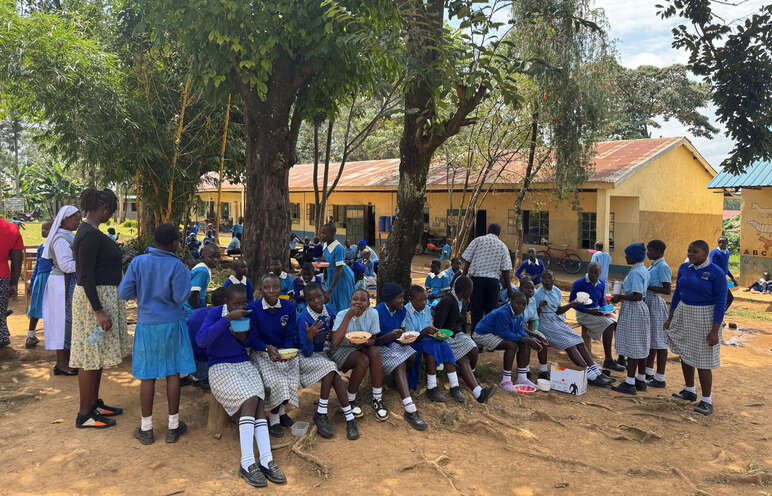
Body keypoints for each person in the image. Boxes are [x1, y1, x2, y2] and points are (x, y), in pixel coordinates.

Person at [196, 283, 287, 486]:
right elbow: (202, 340)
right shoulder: (215, 314)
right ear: (226, 302)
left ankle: (266, 459)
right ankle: (247, 462)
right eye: (236, 304)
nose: (241, 307)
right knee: (250, 398)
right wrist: (227, 320)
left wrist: (244, 339)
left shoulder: (246, 315)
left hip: (243, 364)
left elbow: (249, 341)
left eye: (244, 303)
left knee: (259, 400)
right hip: (220, 367)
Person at [118, 224, 194, 443]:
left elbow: (124, 292)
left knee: (147, 376)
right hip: (172, 323)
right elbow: (180, 297)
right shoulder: (177, 265)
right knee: (172, 373)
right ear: (173, 243)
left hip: (147, 325)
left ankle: (146, 428)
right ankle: (173, 426)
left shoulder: (138, 262)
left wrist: (144, 293)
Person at [70, 189, 130, 428]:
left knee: (97, 354)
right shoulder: (89, 235)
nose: (110, 215)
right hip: (93, 304)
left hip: (101, 299)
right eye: (110, 211)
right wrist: (98, 310)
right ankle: (85, 413)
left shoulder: (93, 233)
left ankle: (94, 403)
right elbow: (86, 275)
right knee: (90, 354)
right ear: (103, 209)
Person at [665, 240, 727, 416]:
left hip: (705, 317)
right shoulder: (684, 268)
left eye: (695, 252)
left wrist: (714, 330)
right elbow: (677, 294)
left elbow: (721, 302)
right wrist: (670, 317)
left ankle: (707, 400)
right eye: (689, 251)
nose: (691, 254)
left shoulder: (716, 273)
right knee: (685, 353)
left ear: (705, 254)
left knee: (703, 359)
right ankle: (689, 390)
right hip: (684, 313)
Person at [297, 282, 359, 440]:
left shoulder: (328, 311)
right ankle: (323, 413)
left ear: (324, 296)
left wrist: (331, 335)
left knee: (334, 375)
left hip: (324, 354)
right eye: (311, 299)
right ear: (306, 301)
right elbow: (306, 351)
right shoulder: (304, 318)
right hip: (307, 356)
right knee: (331, 368)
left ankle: (347, 418)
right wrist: (309, 338)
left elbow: (331, 333)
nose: (316, 301)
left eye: (319, 297)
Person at [534, 271, 615, 387]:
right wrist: (540, 308)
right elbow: (534, 315)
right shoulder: (538, 294)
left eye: (549, 278)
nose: (547, 281)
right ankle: (589, 374)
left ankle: (595, 371)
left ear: (553, 279)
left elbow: (558, 311)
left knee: (578, 340)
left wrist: (572, 304)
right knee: (569, 344)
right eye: (544, 279)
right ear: (541, 280)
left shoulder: (557, 291)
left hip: (556, 320)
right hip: (544, 322)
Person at [248, 274, 299, 437]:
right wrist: (266, 348)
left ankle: (282, 410)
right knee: (277, 381)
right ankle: (274, 418)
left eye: (275, 287)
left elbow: (290, 334)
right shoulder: (253, 308)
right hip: (262, 352)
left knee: (292, 378)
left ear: (280, 288)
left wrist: (286, 352)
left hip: (283, 351)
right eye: (267, 287)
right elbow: (252, 337)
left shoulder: (288, 306)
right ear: (261, 290)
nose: (271, 291)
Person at [374, 283, 427, 431]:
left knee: (412, 354)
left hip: (394, 344)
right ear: (389, 300)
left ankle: (398, 381)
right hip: (380, 347)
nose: (403, 301)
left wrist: (403, 338)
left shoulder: (401, 311)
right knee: (400, 362)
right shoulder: (376, 312)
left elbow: (401, 332)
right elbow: (374, 341)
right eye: (400, 298)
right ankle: (409, 407)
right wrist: (389, 336)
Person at [433, 276, 495, 403]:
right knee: (463, 359)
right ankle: (478, 392)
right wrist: (444, 338)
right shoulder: (447, 301)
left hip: (457, 335)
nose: (471, 293)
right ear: (465, 290)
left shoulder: (464, 301)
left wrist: (461, 334)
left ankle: (470, 373)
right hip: (445, 337)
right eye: (471, 291)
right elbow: (438, 326)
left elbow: (461, 323)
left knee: (473, 348)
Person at [328, 289, 385, 420]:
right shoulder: (342, 314)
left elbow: (373, 339)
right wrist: (348, 316)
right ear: (350, 302)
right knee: (363, 360)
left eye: (363, 300)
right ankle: (350, 399)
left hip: (361, 346)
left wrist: (365, 341)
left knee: (374, 352)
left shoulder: (373, 313)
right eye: (355, 299)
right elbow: (335, 342)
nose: (358, 302)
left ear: (368, 304)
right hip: (341, 349)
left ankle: (377, 398)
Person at [473, 292, 544, 391]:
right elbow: (504, 333)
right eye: (518, 303)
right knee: (511, 346)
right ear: (511, 301)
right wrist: (526, 339)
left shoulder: (519, 313)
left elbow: (519, 330)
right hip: (482, 334)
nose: (521, 306)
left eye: (524, 305)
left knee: (524, 343)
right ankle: (505, 381)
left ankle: (522, 378)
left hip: (495, 332)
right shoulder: (502, 313)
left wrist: (530, 338)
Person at [404, 285, 462, 402]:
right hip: (414, 341)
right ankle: (432, 388)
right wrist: (424, 332)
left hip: (427, 339)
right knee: (431, 349)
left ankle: (455, 385)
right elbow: (410, 336)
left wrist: (436, 333)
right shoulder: (406, 311)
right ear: (411, 299)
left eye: (425, 299)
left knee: (445, 345)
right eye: (420, 300)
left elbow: (429, 327)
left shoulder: (426, 309)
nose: (423, 303)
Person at [42, 205, 81, 375]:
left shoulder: (67, 235)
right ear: (65, 219)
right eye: (76, 219)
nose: (79, 221)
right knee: (62, 322)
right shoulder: (60, 239)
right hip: (61, 283)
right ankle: (62, 363)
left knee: (66, 322)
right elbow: (65, 265)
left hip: (65, 281)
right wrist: (87, 264)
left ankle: (66, 361)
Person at [610, 243, 652, 395]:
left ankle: (629, 383)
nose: (626, 257)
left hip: (634, 310)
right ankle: (641, 379)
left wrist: (619, 297)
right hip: (640, 309)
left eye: (627, 255)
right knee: (640, 345)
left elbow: (637, 295)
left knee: (633, 347)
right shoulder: (643, 269)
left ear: (633, 256)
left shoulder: (636, 273)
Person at [570, 262, 624, 372]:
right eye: (592, 272)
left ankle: (621, 357)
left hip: (597, 311)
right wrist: (588, 310)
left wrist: (606, 309)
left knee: (618, 322)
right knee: (608, 324)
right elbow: (572, 302)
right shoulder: (579, 283)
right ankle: (608, 359)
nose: (594, 275)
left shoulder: (601, 283)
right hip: (583, 313)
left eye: (596, 273)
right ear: (588, 271)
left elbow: (601, 300)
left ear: (600, 273)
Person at [461, 223, 514, 332]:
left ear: (488, 230)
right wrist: (509, 289)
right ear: (499, 233)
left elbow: (467, 261)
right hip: (493, 283)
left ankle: (475, 336)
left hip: (476, 281)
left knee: (476, 310)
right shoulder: (502, 246)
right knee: (491, 311)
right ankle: (488, 337)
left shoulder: (477, 240)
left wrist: (463, 276)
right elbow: (506, 270)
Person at [186, 288, 226, 390]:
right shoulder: (222, 318)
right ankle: (204, 379)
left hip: (189, 359)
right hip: (206, 361)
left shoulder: (195, 312)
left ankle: (196, 377)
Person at [645, 240, 672, 387]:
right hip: (649, 303)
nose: (647, 253)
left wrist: (647, 287)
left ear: (658, 251)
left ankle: (660, 377)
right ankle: (649, 372)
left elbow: (667, 289)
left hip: (655, 304)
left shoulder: (663, 267)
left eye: (650, 250)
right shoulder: (654, 265)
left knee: (660, 342)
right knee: (652, 340)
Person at [25, 220, 53, 348]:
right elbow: (37, 265)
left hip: (51, 279)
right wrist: (31, 281)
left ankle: (52, 337)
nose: (43, 231)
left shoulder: (54, 246)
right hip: (40, 279)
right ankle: (30, 336)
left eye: (46, 229)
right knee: (35, 307)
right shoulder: (41, 247)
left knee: (51, 308)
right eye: (42, 229)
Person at [517, 277, 551, 379]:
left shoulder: (532, 300)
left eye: (532, 288)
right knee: (527, 342)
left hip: (528, 329)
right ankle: (525, 370)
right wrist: (531, 336)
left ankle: (543, 371)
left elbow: (532, 319)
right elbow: (517, 324)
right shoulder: (516, 301)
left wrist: (532, 333)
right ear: (520, 289)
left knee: (543, 340)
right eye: (527, 288)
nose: (530, 290)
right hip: (515, 329)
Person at [320, 223, 355, 314]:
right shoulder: (325, 245)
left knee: (342, 300)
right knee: (332, 301)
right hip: (331, 275)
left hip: (341, 277)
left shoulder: (339, 248)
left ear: (332, 234)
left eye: (325, 233)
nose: (322, 235)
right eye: (321, 233)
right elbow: (326, 261)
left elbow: (339, 270)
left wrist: (331, 289)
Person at [0, 217, 24, 350]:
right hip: (2, 276)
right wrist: (14, 283)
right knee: (1, 311)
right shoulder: (11, 229)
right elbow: (17, 259)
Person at [184, 244, 220, 317]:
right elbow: (192, 295)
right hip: (190, 310)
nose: (216, 260)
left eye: (218, 257)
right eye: (211, 257)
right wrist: (200, 311)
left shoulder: (203, 268)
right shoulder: (203, 271)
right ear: (202, 257)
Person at [709, 236, 737, 312]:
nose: (721, 244)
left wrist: (732, 278)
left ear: (727, 243)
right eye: (719, 242)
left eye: (723, 242)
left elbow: (725, 268)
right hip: (716, 279)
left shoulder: (727, 252)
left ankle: (720, 313)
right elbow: (712, 266)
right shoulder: (714, 252)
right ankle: (718, 313)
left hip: (722, 279)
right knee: (727, 298)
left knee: (728, 298)